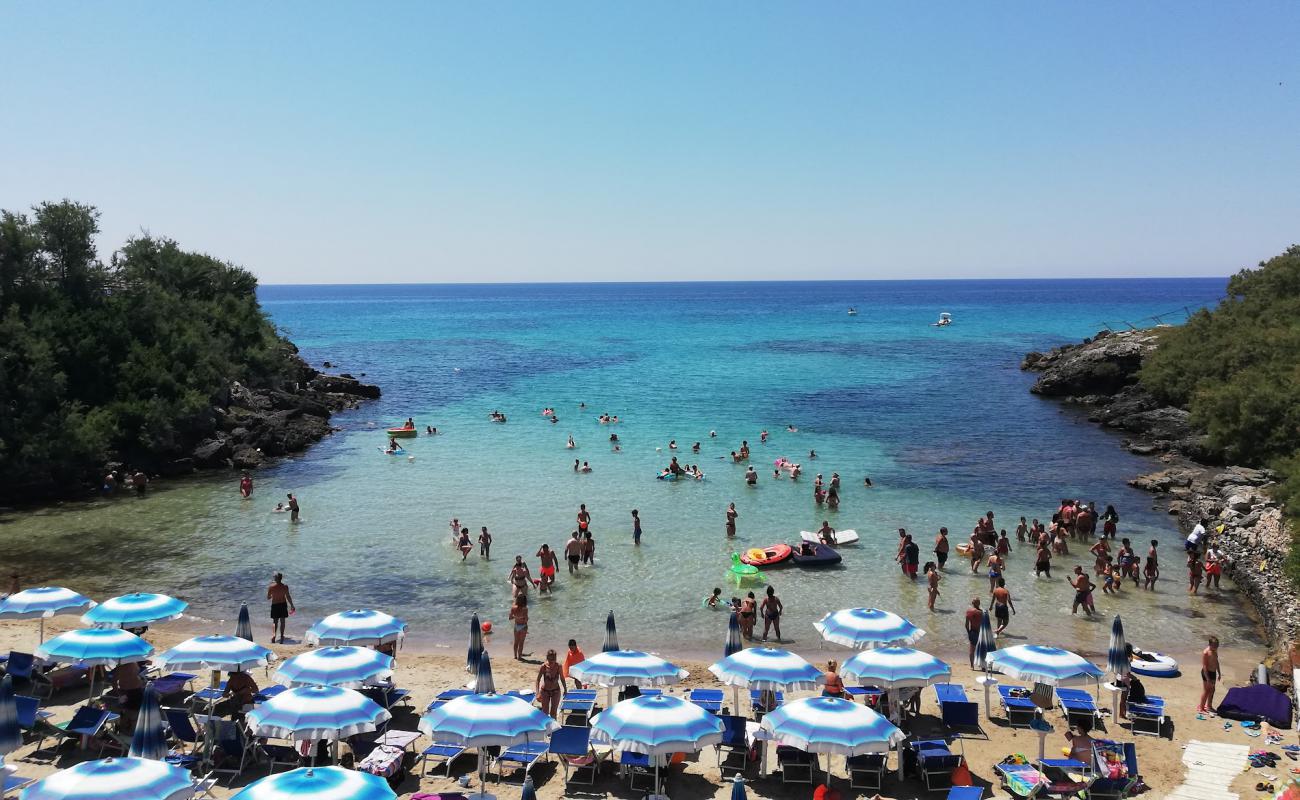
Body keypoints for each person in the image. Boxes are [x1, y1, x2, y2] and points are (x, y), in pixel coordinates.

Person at [110, 660, 145, 729]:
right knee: (133, 711)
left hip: (129, 691)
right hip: (134, 690)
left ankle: (128, 726)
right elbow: (114, 681)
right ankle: (130, 726)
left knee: (129, 711)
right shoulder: (133, 663)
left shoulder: (121, 667)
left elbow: (114, 681)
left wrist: (117, 693)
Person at [537, 649, 564, 718]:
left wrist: (565, 689)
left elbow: (562, 678)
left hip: (556, 691)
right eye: (550, 659)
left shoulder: (558, 666)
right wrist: (538, 693)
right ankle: (546, 728)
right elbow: (538, 680)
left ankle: (554, 728)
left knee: (553, 713)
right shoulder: (543, 667)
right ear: (547, 658)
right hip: (545, 691)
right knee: (545, 713)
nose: (552, 661)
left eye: (554, 659)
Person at [267, 573, 294, 644]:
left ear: (275, 578)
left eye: (274, 577)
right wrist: (292, 605)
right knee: (282, 621)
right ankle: (282, 637)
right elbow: (288, 596)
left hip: (275, 605)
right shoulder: (285, 586)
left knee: (275, 622)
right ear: (281, 578)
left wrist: (273, 595)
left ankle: (273, 637)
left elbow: (268, 597)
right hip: (283, 605)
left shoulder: (271, 587)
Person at [1198, 636, 1220, 713]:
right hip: (1206, 673)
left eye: (1217, 645)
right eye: (1214, 646)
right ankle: (1201, 707)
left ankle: (1209, 706)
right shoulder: (1206, 652)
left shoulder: (1215, 651)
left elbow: (1216, 662)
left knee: (1212, 690)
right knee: (1206, 690)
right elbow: (1204, 666)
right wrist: (1207, 678)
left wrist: (1219, 673)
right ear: (1210, 644)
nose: (1216, 647)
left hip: (1213, 673)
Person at [508, 594, 529, 660]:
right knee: (521, 642)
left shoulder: (513, 608)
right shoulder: (525, 609)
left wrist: (516, 617)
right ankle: (519, 656)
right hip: (523, 626)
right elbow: (526, 619)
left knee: (516, 641)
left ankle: (515, 656)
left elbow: (510, 618)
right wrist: (524, 618)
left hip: (517, 625)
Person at [964, 598, 983, 668]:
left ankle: (972, 665)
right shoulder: (981, 612)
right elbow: (985, 625)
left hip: (973, 632)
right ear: (979, 604)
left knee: (972, 650)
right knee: (982, 649)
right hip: (981, 633)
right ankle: (982, 665)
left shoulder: (968, 612)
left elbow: (966, 625)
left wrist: (969, 633)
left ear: (972, 603)